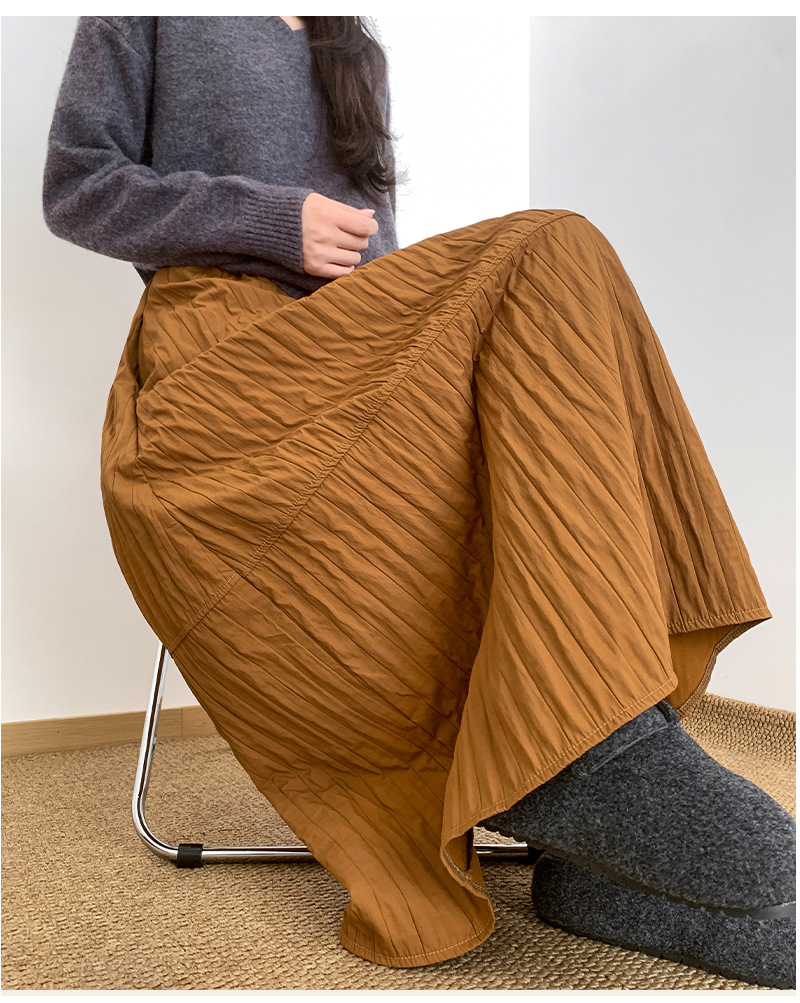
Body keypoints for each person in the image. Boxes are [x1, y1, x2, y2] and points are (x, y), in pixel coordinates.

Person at [42, 16, 795, 988]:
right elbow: (77, 186)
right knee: (549, 243)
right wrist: (270, 220)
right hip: (221, 362)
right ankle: (573, 761)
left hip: (348, 348)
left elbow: (376, 260)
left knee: (550, 278)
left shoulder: (351, 43)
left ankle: (592, 747)